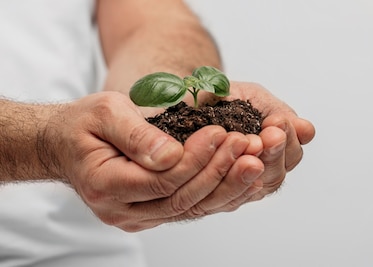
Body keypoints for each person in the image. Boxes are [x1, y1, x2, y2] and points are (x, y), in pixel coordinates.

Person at [0, 0, 315, 266]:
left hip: (84, 252)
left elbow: (151, 20)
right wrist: (44, 143)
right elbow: (50, 141)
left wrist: (176, 91)